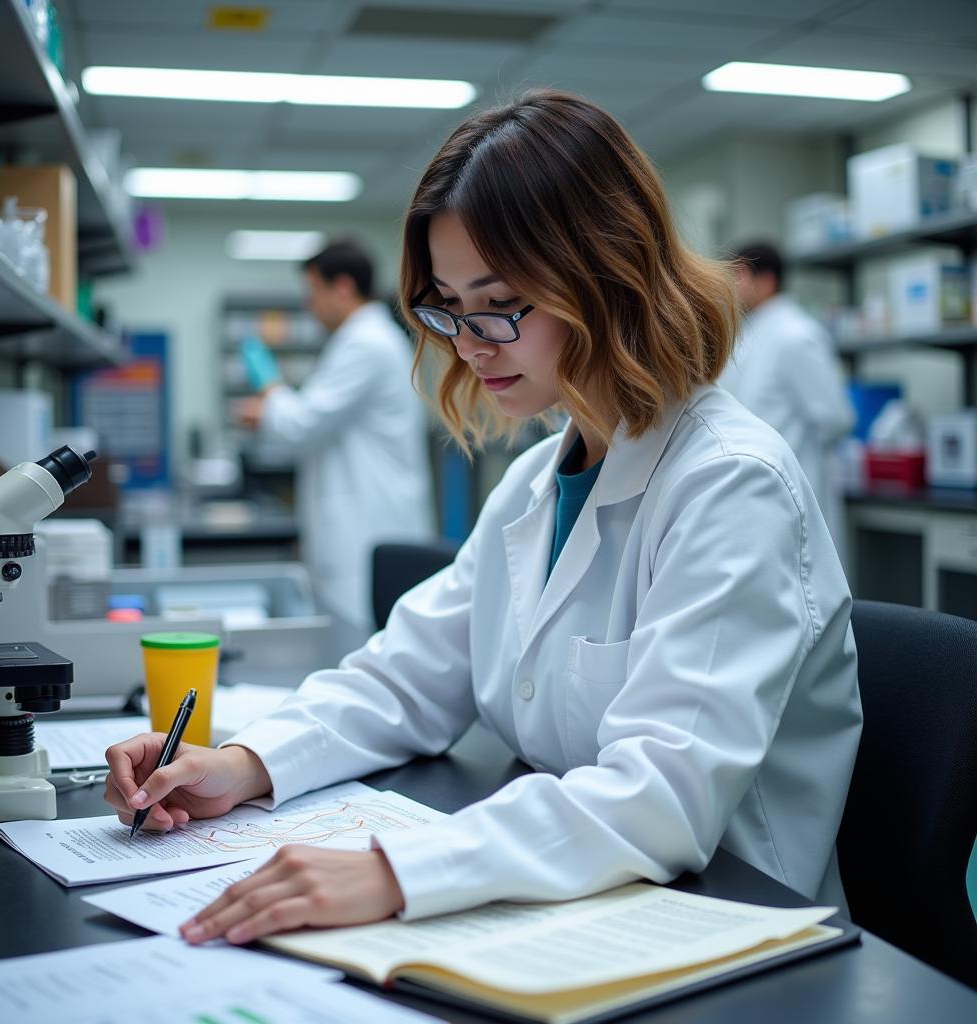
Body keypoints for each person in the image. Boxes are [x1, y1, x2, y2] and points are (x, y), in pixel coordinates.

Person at [105, 90, 862, 947]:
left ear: (607, 276)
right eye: (449, 308)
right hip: (580, 896)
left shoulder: (730, 484)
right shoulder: (541, 480)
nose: (469, 345)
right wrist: (243, 764)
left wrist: (397, 871)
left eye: (500, 302)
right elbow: (407, 675)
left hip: (725, 926)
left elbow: (663, 794)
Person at [234, 240, 435, 650]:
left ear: (342, 288)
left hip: (367, 526)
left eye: (314, 292)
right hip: (362, 523)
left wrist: (270, 394)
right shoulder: (360, 340)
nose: (310, 305)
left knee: (365, 650)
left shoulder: (366, 344)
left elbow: (302, 424)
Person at [719, 241, 855, 552]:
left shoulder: (797, 334)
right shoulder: (749, 335)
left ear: (766, 281)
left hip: (795, 486)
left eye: (738, 275)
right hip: (752, 491)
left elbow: (836, 419)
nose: (731, 285)